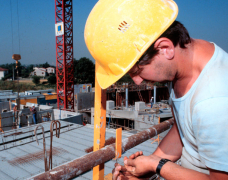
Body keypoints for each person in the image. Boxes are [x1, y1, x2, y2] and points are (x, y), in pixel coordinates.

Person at [84, 0, 228, 179]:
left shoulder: (214, 101)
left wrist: (156, 165)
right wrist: (145, 166)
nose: (137, 82)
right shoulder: (182, 66)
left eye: (137, 71)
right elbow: (182, 131)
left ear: (165, 48)